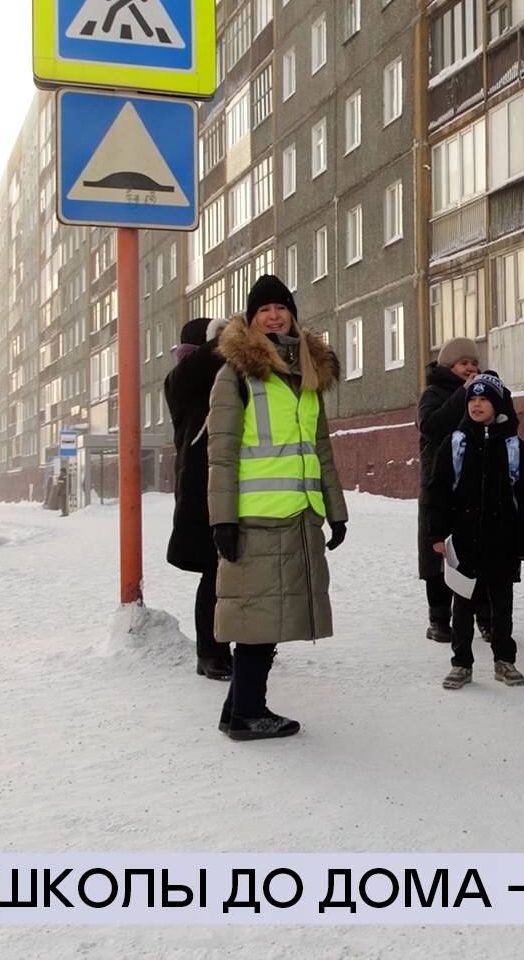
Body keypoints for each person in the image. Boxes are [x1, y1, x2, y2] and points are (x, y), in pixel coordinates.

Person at [206, 275, 348, 741]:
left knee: (265, 617)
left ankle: (238, 709)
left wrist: (336, 509)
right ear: (251, 319)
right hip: (256, 518)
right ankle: (248, 713)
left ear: (292, 315)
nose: (274, 316)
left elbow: (320, 449)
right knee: (258, 619)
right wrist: (222, 519)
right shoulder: (236, 375)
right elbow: (221, 454)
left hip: (299, 516)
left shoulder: (305, 374)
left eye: (281, 308)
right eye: (264, 309)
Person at [427, 374, 524, 690]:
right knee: (462, 604)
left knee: (501, 605)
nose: (476, 405)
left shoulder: (515, 447)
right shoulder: (455, 444)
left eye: (484, 400)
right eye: (472, 400)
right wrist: (436, 535)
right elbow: (437, 492)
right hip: (464, 540)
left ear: (498, 405)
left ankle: (505, 660)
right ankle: (461, 663)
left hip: (503, 541)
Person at [166, 315, 233, 681]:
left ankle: (233, 647)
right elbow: (201, 363)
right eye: (218, 338)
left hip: (228, 484)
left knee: (234, 571)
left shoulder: (219, 374)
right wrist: (231, 337)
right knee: (213, 571)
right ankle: (210, 653)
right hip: (200, 488)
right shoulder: (182, 377)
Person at [418, 338, 484, 644]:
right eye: (463, 363)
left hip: (473, 485)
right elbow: (431, 426)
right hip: (439, 484)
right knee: (437, 551)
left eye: (474, 363)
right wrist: (461, 396)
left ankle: (484, 616)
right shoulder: (432, 393)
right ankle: (439, 619)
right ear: (449, 366)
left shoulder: (481, 392)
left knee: (476, 552)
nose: (470, 368)